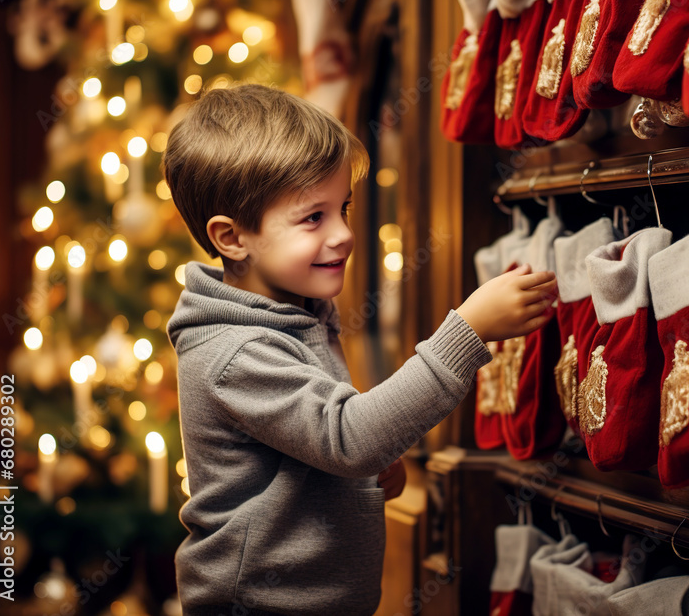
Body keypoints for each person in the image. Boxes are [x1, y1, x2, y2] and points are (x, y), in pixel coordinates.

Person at [162, 83, 557, 616]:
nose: (345, 234)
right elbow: (348, 436)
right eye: (312, 217)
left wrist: (363, 477)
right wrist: (466, 330)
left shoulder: (292, 315)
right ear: (232, 238)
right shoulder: (236, 351)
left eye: (342, 208)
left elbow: (322, 443)